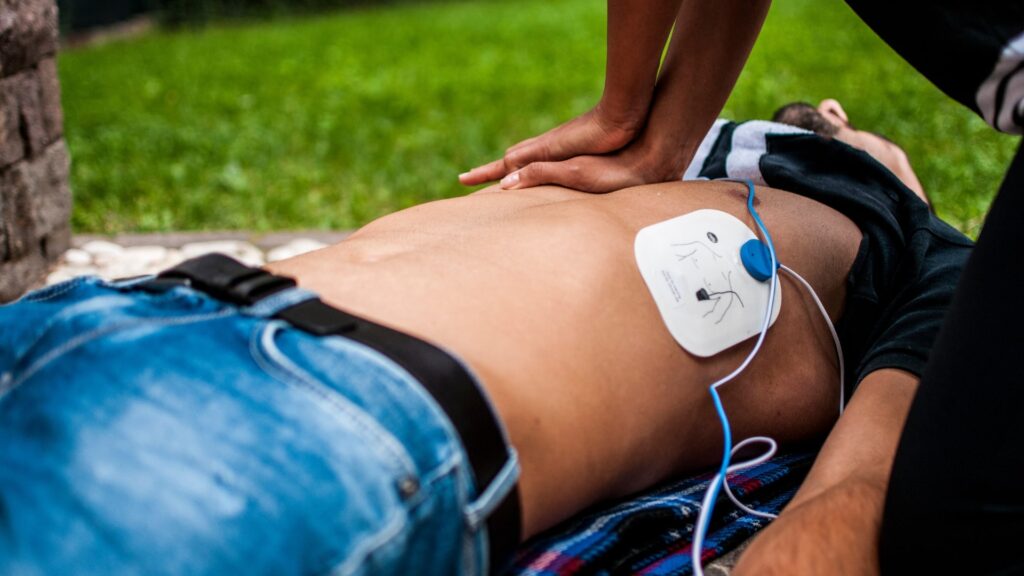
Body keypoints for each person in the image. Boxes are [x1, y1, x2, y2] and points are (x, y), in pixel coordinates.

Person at [0, 98, 967, 575]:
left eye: (844, 119)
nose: (832, 114)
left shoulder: (936, 270)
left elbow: (857, 502)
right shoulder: (651, 152)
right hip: (114, 309)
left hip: (292, 423)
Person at [459, 2, 1023, 573]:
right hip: (444, 423)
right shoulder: (663, 150)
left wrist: (625, 112)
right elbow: (855, 490)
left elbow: (859, 490)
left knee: (949, 517)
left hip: (444, 423)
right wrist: (640, 129)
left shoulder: (924, 261)